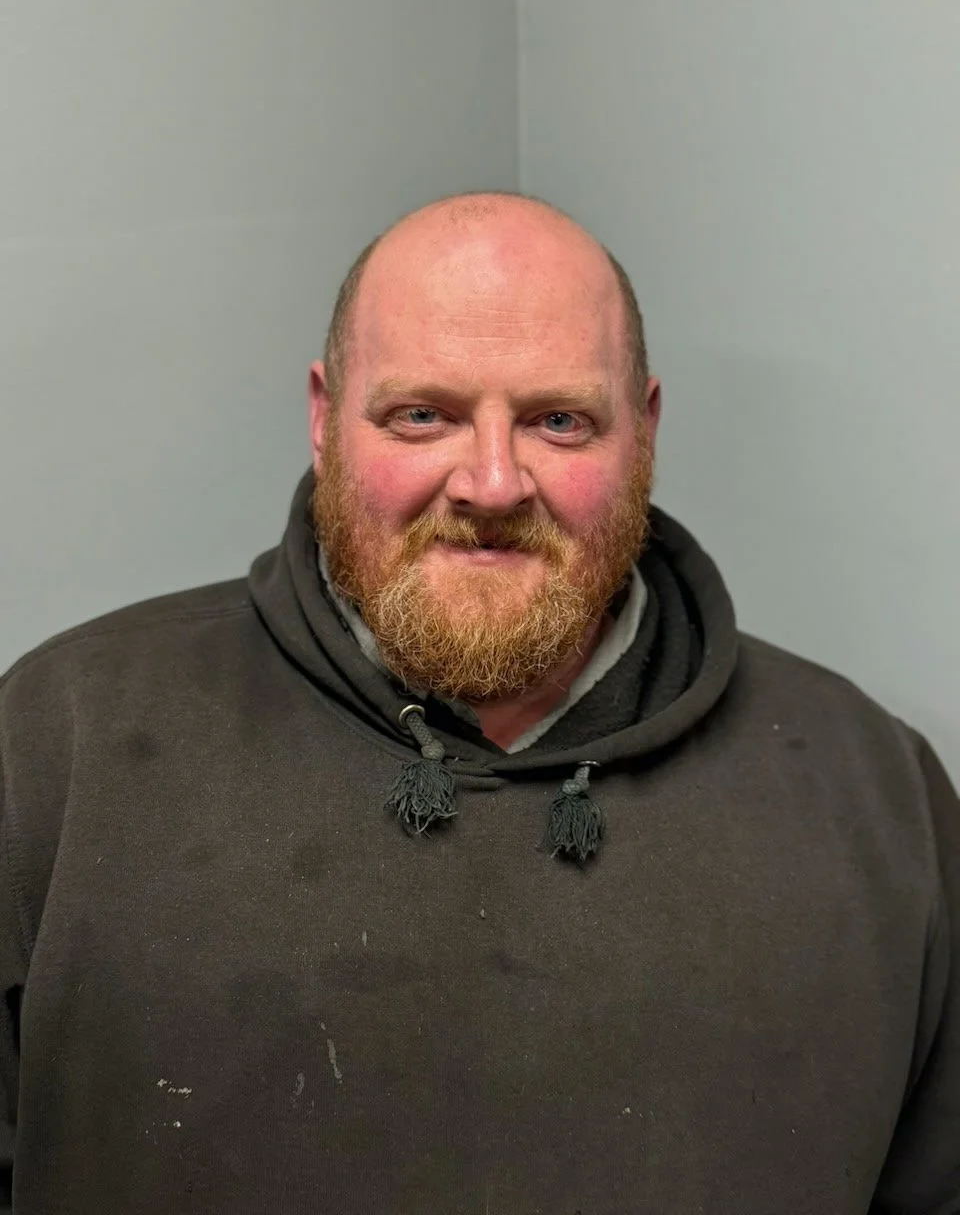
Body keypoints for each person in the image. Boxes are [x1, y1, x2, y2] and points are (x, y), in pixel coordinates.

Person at [0, 192, 956, 1214]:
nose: (493, 482)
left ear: (645, 427)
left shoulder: (878, 791)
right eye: (423, 414)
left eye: (558, 419)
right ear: (325, 419)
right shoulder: (60, 744)